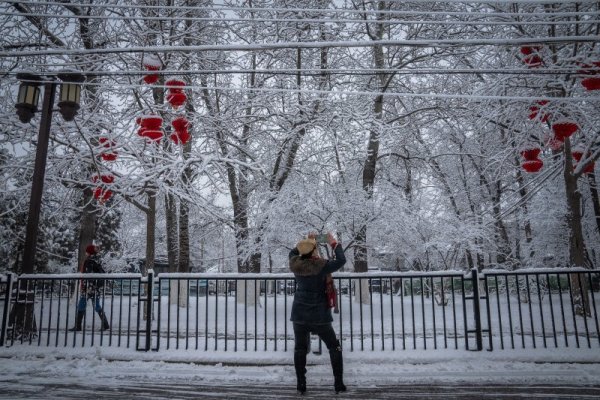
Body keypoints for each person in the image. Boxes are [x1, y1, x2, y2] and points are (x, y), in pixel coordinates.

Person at [289, 232, 347, 394]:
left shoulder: (295, 264)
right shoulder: (322, 266)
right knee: (334, 347)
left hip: (299, 313)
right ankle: (338, 383)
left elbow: (294, 252)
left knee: (300, 349)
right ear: (314, 250)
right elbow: (341, 260)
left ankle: (301, 384)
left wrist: (307, 242)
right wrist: (333, 243)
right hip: (319, 315)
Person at [69, 244, 110, 332]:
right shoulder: (96, 260)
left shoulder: (89, 261)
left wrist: (88, 287)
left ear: (90, 252)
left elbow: (89, 275)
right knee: (94, 306)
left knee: (84, 306)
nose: (86, 253)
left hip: (89, 288)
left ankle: (78, 326)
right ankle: (105, 324)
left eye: (87, 251)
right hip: (94, 288)